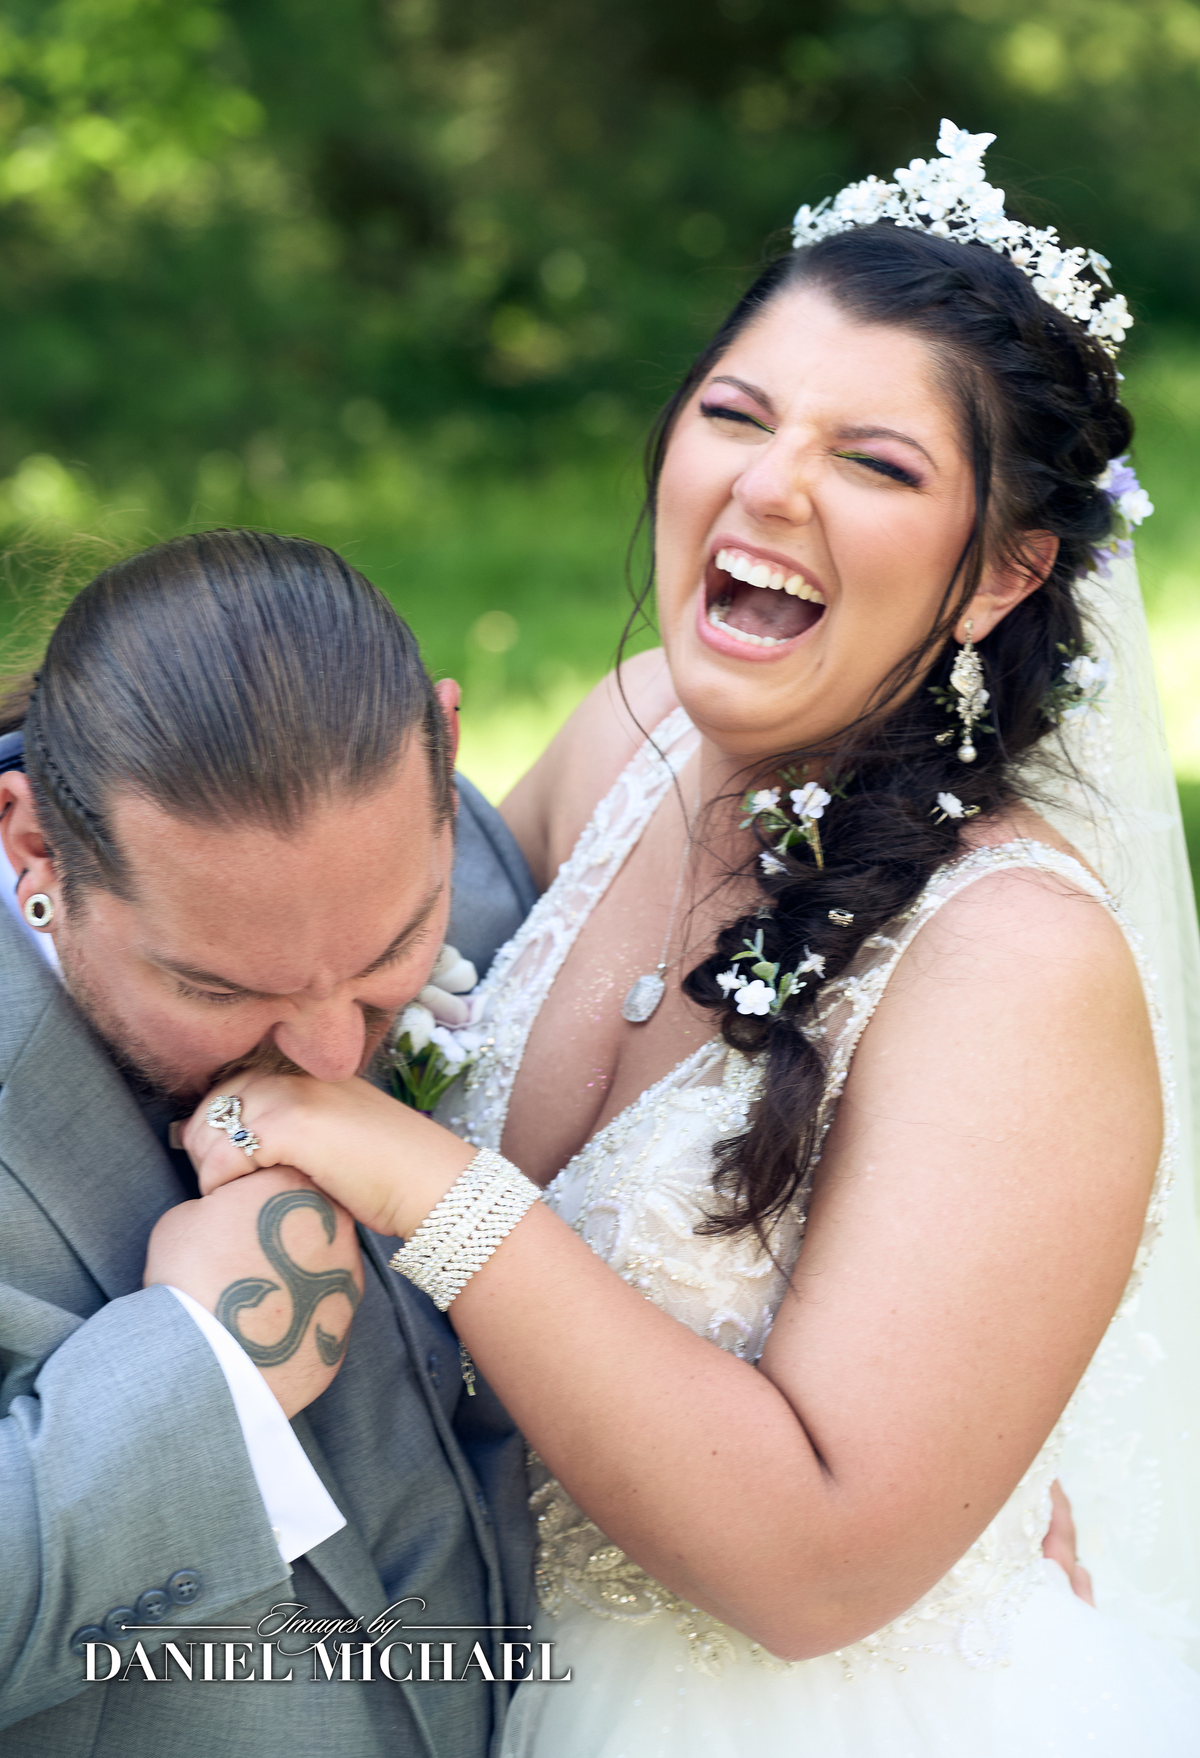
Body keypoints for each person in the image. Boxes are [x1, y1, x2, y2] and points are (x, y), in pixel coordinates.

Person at [180, 125, 1200, 1754]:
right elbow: (358, 989)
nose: (767, 485)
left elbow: (819, 1568)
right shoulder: (628, 730)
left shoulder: (1014, 964)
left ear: (1002, 576)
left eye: (878, 464)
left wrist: (426, 1186)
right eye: (736, 414)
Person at [0, 529, 538, 1756]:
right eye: (217, 987)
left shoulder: (484, 872)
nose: (334, 1054)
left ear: (446, 751)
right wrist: (207, 1378)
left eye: (390, 954)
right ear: (35, 848)